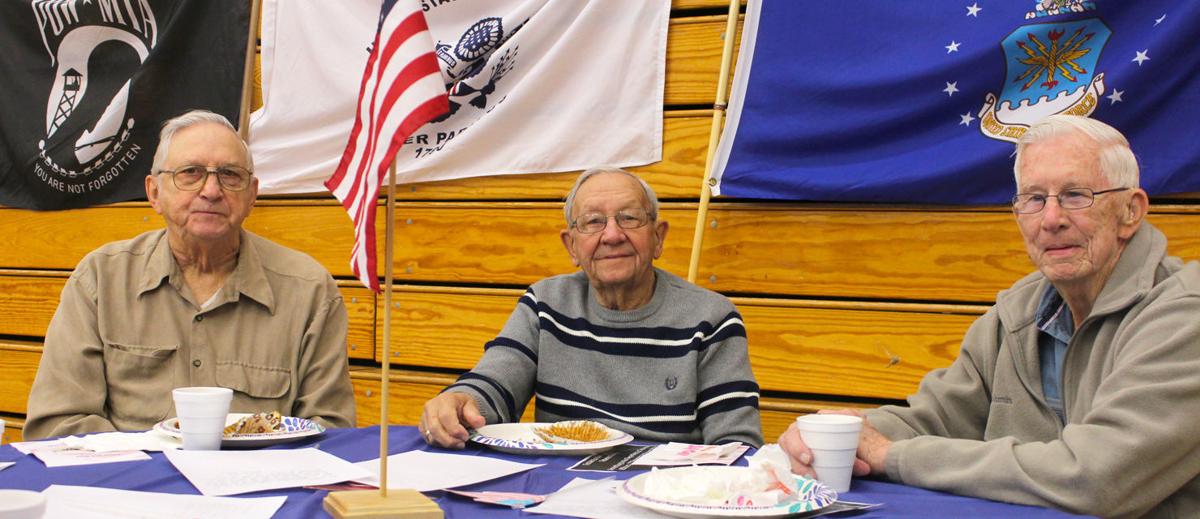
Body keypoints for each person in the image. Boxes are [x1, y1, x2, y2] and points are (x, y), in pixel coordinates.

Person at [779, 114, 1200, 517]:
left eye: (1075, 195)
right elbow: (936, 418)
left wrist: (893, 455)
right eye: (1034, 199)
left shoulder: (1185, 315)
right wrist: (840, 434)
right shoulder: (1016, 312)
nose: (1051, 219)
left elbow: (1095, 479)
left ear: (1131, 211)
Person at [25, 110, 356, 440]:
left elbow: (330, 433)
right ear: (154, 192)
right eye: (190, 173)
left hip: (258, 488)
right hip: (134, 487)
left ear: (252, 195)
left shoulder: (309, 291)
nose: (211, 190)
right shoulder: (100, 280)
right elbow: (58, 426)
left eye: (229, 175)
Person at [420, 167, 763, 448]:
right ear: (571, 246)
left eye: (629, 218)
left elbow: (736, 447)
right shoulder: (545, 304)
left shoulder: (712, 318)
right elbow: (494, 383)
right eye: (593, 222)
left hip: (659, 495)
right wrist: (461, 401)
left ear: (658, 237)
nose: (612, 235)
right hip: (557, 491)